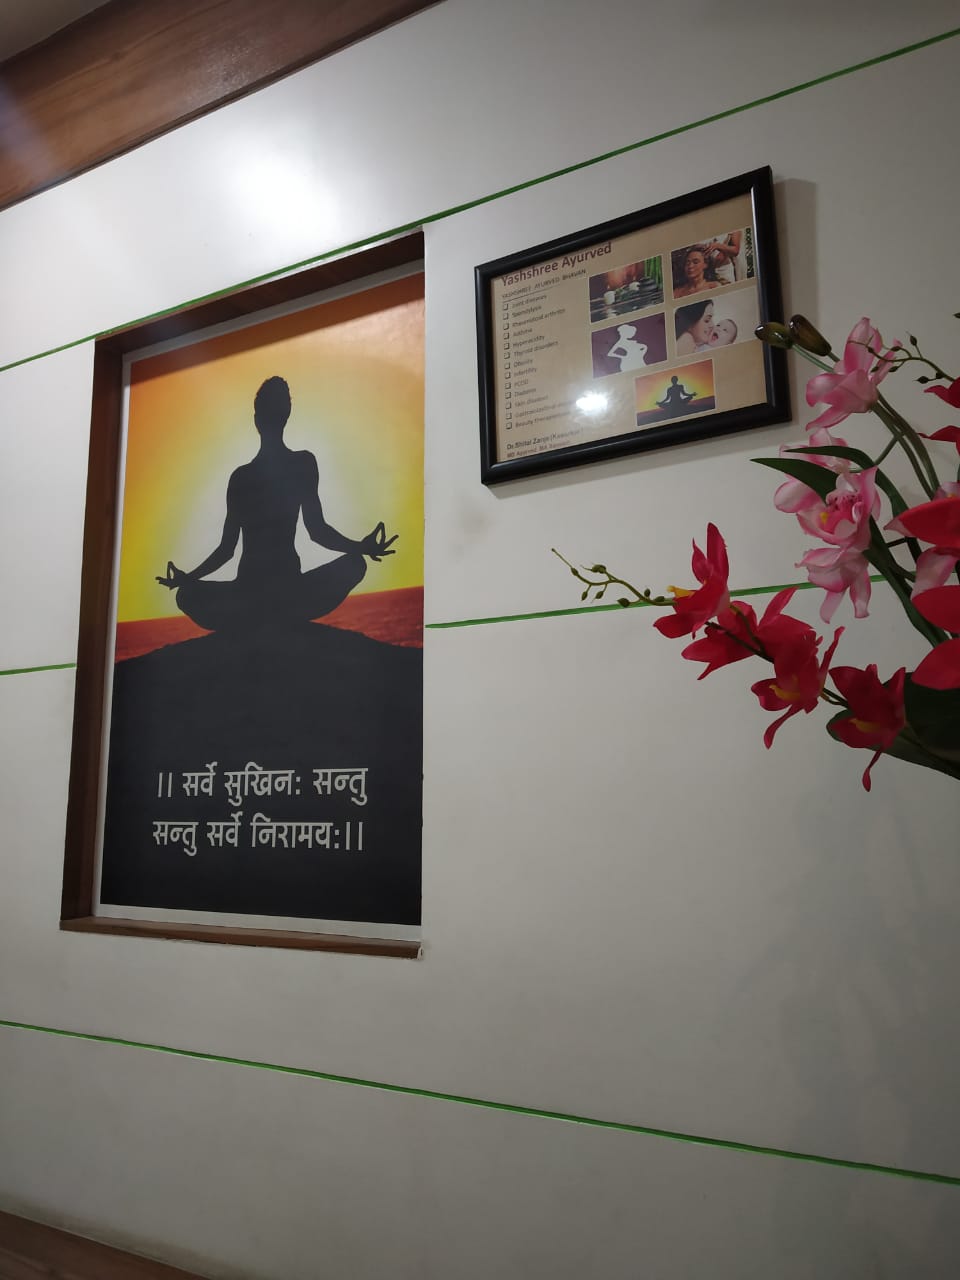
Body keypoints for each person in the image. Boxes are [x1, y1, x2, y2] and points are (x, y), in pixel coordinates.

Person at [156, 376, 396, 633]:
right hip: (290, 594)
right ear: (286, 415)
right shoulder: (303, 463)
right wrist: (360, 547)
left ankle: (254, 619)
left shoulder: (241, 477)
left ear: (256, 419)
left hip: (248, 597)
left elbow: (226, 550)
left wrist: (189, 578)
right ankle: (278, 616)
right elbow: (317, 531)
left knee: (186, 594)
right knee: (356, 563)